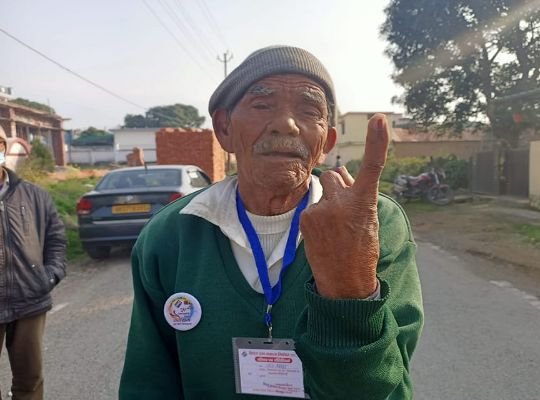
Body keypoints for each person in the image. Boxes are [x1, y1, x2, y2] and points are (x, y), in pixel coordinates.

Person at [119, 45, 423, 399]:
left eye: (309, 110)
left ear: (327, 141)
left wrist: (349, 291)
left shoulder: (374, 223)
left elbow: (384, 389)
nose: (286, 124)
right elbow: (148, 381)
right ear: (224, 128)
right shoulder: (170, 234)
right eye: (262, 105)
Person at [0, 126, 67, 400]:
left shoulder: (34, 195)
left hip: (30, 301)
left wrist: (50, 276)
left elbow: (56, 239)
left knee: (30, 381)